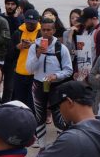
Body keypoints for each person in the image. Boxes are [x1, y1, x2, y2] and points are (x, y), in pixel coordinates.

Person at [26, 17, 74, 145]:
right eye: (43, 30)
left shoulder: (61, 48)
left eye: (49, 30)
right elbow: (29, 69)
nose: (46, 33)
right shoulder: (35, 46)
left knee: (58, 116)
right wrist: (37, 55)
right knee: (39, 115)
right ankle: (42, 145)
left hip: (56, 85)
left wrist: (56, 76)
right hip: (38, 84)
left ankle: (60, 145)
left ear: (54, 30)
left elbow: (69, 70)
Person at [10, 9, 40, 111]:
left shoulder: (41, 33)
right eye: (28, 23)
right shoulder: (18, 33)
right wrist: (17, 48)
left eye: (33, 23)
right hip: (19, 73)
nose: (30, 25)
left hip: (35, 75)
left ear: (38, 21)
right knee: (19, 103)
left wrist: (34, 46)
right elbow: (9, 55)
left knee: (33, 103)